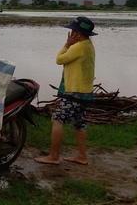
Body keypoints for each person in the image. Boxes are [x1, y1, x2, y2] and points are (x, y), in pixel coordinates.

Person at [35, 16, 97, 166]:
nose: (71, 33)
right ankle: (82, 156)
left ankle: (54, 157)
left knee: (57, 119)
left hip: (73, 92)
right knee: (80, 123)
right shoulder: (89, 45)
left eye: (73, 31)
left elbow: (59, 60)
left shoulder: (77, 46)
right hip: (85, 92)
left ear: (78, 33)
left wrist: (67, 44)